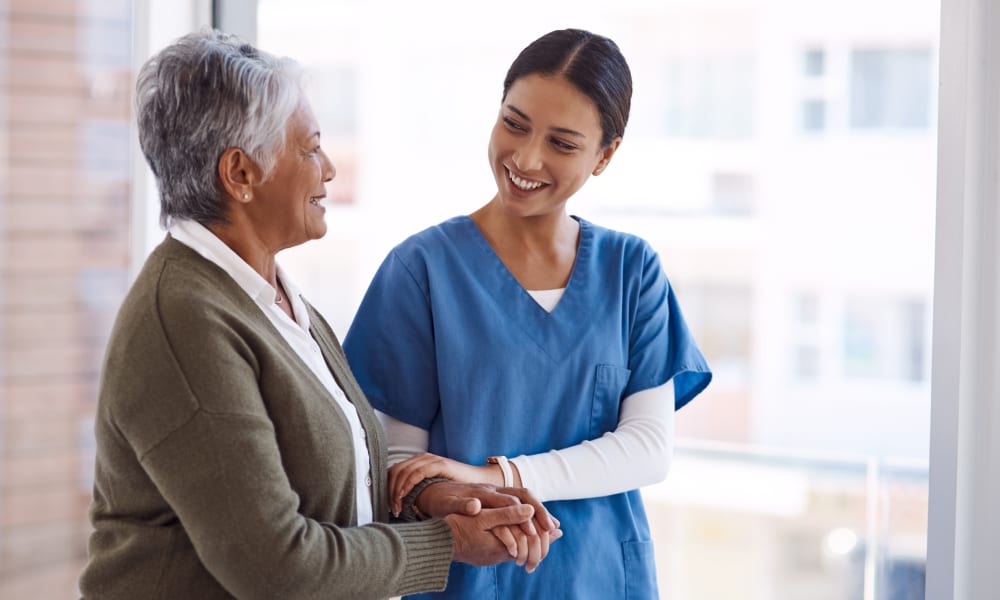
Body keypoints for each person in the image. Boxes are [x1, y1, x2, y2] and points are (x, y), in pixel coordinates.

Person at [78, 29, 561, 600]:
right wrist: (445, 541)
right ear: (240, 175)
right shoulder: (185, 319)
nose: (329, 169)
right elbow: (276, 567)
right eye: (309, 149)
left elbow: (318, 482)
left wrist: (428, 497)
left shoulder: (270, 297)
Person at [343, 28, 713, 599]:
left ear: (605, 155)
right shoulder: (421, 271)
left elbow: (647, 448)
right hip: (468, 578)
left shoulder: (631, 271)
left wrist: (500, 475)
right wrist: (456, 494)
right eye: (514, 124)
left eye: (563, 143)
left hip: (602, 578)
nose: (526, 158)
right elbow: (401, 465)